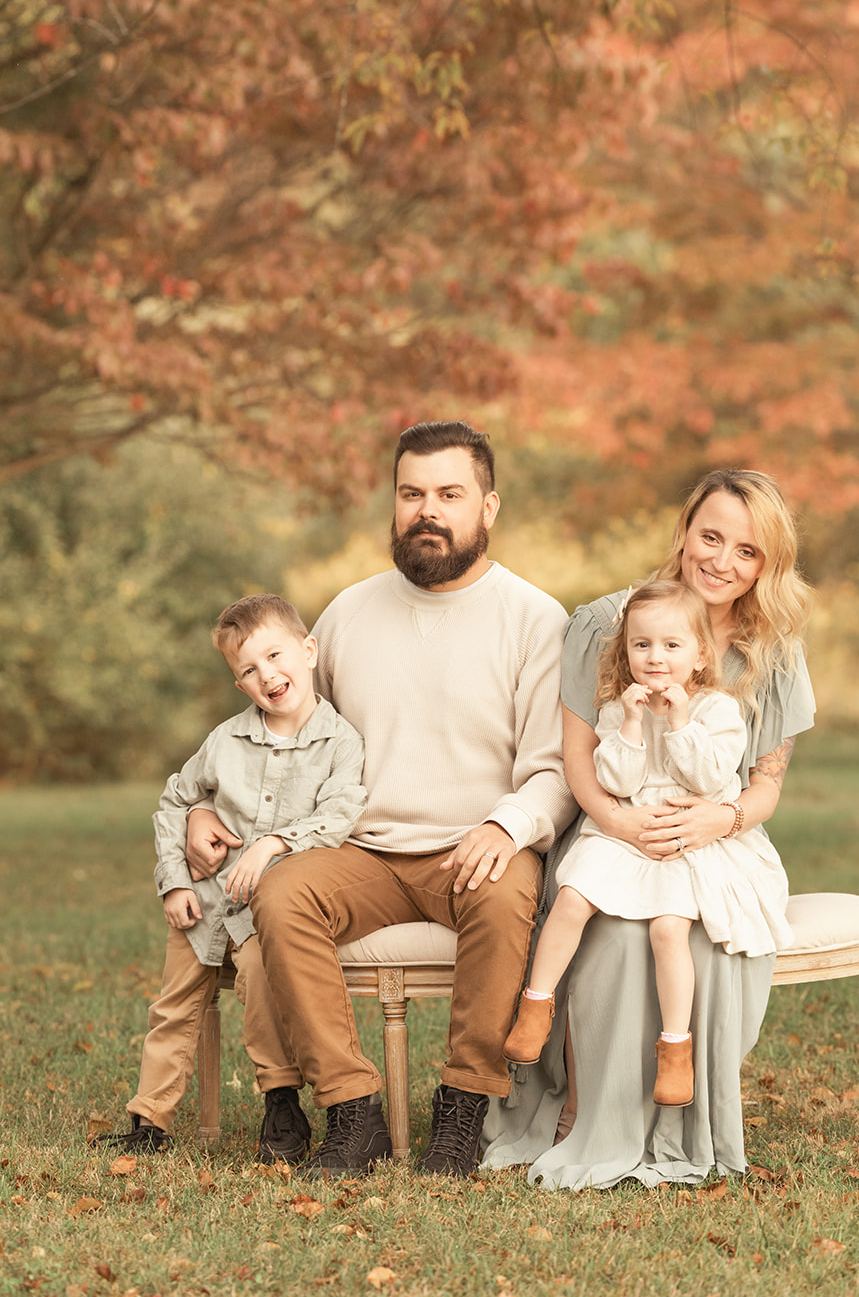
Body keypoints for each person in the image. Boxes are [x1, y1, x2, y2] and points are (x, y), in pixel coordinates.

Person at [185, 421, 574, 1178]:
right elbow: (278, 732)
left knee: (503, 902)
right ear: (394, 504)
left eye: (449, 494)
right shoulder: (348, 613)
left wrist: (508, 824)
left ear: (487, 507)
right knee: (284, 891)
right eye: (411, 494)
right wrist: (204, 806)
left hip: (476, 845)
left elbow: (555, 769)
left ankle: (462, 1114)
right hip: (357, 848)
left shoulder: (534, 619)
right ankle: (352, 1112)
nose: (427, 510)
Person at [482, 468, 815, 1190]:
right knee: (612, 931)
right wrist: (623, 824)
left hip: (715, 832)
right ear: (684, 531)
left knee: (693, 937)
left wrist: (715, 818)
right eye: (711, 536)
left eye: (748, 551)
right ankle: (582, 1104)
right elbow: (579, 762)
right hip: (615, 822)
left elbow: (764, 786)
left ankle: (679, 1109)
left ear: (768, 563)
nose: (723, 561)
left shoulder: (772, 648)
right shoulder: (610, 623)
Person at [93, 593, 365, 1164]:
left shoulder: (341, 744)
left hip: (265, 910)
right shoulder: (225, 741)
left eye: (275, 655)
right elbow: (176, 801)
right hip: (204, 903)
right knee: (173, 1007)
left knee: (264, 985)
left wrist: (274, 843)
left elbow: (338, 817)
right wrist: (175, 883)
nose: (267, 674)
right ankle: (149, 1121)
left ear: (308, 650)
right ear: (239, 684)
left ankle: (282, 1104)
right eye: (249, 669)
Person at [501, 579, 793, 1108]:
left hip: (689, 838)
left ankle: (675, 1048)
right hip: (628, 831)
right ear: (626, 651)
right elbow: (616, 781)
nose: (655, 658)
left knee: (668, 930)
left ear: (700, 654)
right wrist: (633, 724)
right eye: (642, 646)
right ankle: (535, 1007)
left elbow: (706, 778)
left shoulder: (717, 711)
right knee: (571, 899)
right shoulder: (618, 710)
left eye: (671, 646)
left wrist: (679, 720)